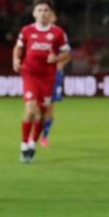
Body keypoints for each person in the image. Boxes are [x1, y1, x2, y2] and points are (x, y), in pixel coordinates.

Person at [12, 0, 69, 163]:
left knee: (43, 114)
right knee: (31, 109)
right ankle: (24, 145)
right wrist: (16, 59)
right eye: (40, 10)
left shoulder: (58, 33)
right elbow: (18, 47)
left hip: (47, 77)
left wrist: (57, 57)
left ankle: (32, 143)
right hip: (30, 73)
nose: (43, 13)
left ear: (50, 13)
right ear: (34, 13)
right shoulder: (27, 31)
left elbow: (67, 53)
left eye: (46, 10)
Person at [38, 9, 70, 147]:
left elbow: (67, 54)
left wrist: (59, 63)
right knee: (38, 107)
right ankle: (35, 133)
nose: (49, 16)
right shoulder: (36, 33)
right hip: (40, 74)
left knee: (49, 108)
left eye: (51, 13)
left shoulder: (60, 34)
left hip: (55, 75)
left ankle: (44, 136)